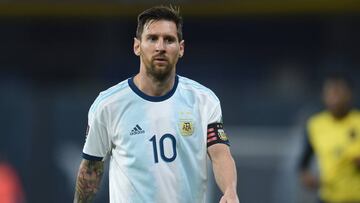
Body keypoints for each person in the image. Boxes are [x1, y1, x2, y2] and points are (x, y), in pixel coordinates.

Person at [73, 5, 239, 203]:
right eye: (152, 38)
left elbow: (220, 154)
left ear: (181, 48)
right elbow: (92, 168)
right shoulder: (108, 105)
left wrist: (230, 190)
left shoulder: (203, 101)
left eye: (169, 40)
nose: (160, 47)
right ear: (137, 46)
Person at [298, 73, 360, 203]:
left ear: (349, 95)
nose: (334, 98)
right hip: (328, 197)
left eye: (338, 93)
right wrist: (307, 176)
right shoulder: (316, 125)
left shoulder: (358, 121)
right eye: (331, 93)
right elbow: (304, 161)